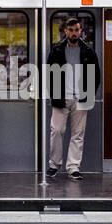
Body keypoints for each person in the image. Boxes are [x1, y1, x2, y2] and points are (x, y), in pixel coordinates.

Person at [46, 18, 100, 180]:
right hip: (61, 98)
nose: (74, 33)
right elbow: (49, 74)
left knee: (78, 134)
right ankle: (54, 164)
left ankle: (73, 167)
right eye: (71, 30)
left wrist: (88, 94)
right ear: (66, 32)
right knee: (56, 131)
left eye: (77, 30)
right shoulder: (56, 50)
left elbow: (96, 76)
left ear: (80, 31)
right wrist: (53, 94)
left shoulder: (88, 51)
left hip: (80, 99)